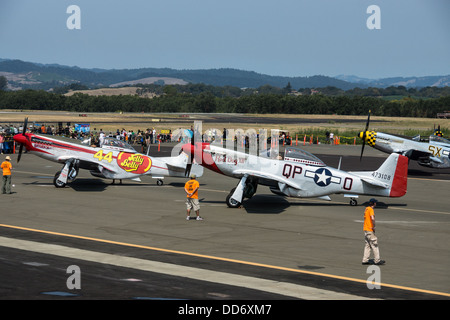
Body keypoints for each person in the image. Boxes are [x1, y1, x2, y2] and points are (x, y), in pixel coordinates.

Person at [362, 198, 385, 265]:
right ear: (374, 203)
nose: (376, 203)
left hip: (365, 229)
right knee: (374, 245)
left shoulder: (366, 209)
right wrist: (374, 226)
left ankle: (365, 260)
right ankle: (377, 260)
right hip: (370, 230)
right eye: (375, 202)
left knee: (367, 245)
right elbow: (372, 218)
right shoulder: (371, 210)